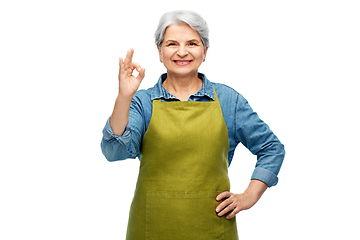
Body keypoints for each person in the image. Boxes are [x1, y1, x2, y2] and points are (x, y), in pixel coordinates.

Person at [101, 10, 285, 240]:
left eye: (192, 43)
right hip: (151, 228)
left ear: (205, 51)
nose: (182, 52)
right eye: (171, 44)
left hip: (213, 229)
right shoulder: (143, 102)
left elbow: (271, 148)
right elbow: (113, 151)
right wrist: (124, 96)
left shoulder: (228, 101)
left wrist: (249, 196)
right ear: (159, 51)